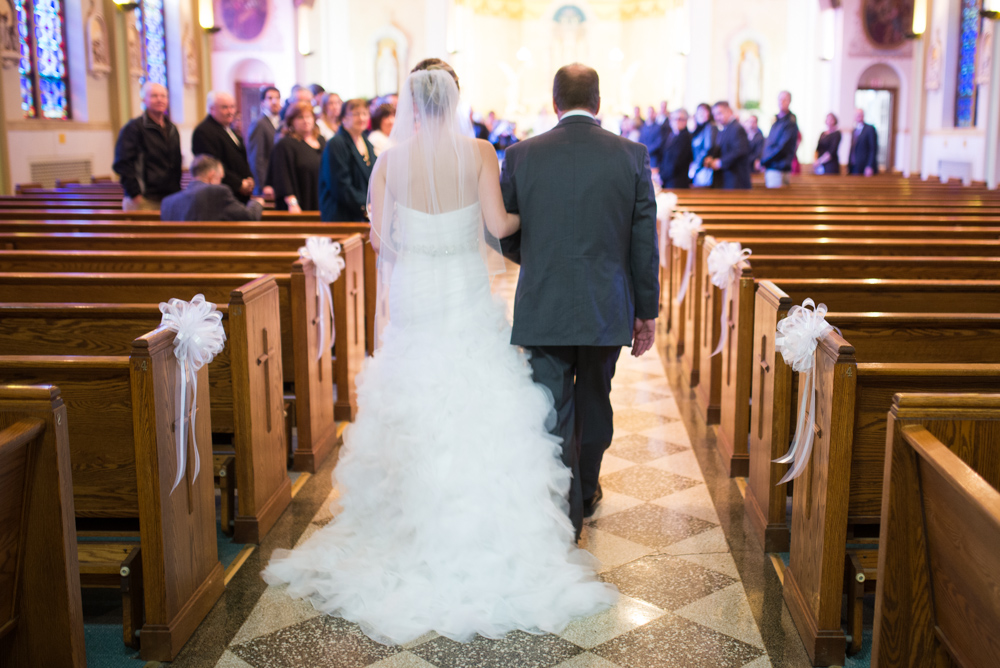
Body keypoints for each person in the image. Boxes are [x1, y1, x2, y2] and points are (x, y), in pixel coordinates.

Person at [263, 61, 618, 647]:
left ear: (409, 104)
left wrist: (417, 239)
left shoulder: (388, 159)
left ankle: (405, 515)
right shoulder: (478, 151)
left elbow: (381, 236)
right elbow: (499, 222)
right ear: (455, 99)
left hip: (416, 293)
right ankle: (482, 521)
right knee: (473, 395)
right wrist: (550, 213)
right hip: (462, 290)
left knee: (416, 391)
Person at [500, 63, 659, 538]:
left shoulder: (521, 154)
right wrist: (645, 312)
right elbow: (643, 242)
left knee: (551, 406)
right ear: (598, 103)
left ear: (554, 103)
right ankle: (586, 491)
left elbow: (505, 231)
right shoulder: (631, 154)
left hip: (542, 300)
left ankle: (562, 510)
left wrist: (537, 259)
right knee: (595, 401)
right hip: (604, 303)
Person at [112, 82, 182, 211]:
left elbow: (176, 161)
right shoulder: (134, 128)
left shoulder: (172, 128)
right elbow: (122, 164)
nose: (160, 99)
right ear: (144, 100)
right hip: (145, 199)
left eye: (163, 96)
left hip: (170, 196)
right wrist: (135, 194)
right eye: (154, 96)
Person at [319, 98, 376, 221]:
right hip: (342, 215)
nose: (362, 118)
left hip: (362, 213)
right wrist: (365, 204)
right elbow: (339, 184)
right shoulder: (336, 143)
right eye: (356, 114)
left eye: (365, 113)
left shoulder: (367, 142)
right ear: (344, 118)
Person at [192, 91, 254, 203]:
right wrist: (239, 184)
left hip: (239, 195)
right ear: (211, 109)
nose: (230, 111)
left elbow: (241, 159)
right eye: (225, 107)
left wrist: (249, 179)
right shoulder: (204, 131)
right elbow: (212, 166)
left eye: (232, 107)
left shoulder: (229, 129)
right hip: (221, 196)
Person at [160, 154, 264, 221]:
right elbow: (249, 217)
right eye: (220, 178)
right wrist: (257, 203)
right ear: (211, 175)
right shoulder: (218, 192)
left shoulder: (168, 202)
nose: (220, 183)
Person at [268, 101, 326, 212]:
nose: (306, 120)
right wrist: (292, 202)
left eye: (308, 116)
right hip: (298, 203)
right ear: (291, 122)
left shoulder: (321, 141)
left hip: (319, 199)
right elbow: (282, 176)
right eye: (300, 117)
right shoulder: (285, 144)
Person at [705, 100, 752, 190]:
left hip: (737, 179)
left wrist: (720, 162)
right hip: (728, 178)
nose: (716, 117)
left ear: (729, 111)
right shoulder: (726, 128)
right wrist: (712, 158)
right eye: (714, 115)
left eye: (719, 113)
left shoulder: (737, 128)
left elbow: (739, 150)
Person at [246, 86, 281, 198]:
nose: (274, 101)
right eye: (270, 98)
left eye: (277, 98)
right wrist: (263, 185)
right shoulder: (259, 124)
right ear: (263, 103)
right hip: (266, 184)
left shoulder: (282, 123)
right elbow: (257, 158)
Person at [759, 91, 798, 188]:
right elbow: (770, 142)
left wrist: (764, 161)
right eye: (780, 99)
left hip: (778, 167)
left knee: (775, 200)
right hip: (772, 166)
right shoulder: (777, 120)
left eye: (785, 99)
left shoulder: (790, 122)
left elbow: (783, 147)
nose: (782, 102)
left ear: (789, 102)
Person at [653, 108, 693, 189]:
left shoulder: (685, 137)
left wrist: (662, 176)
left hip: (677, 182)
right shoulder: (672, 135)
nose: (676, 122)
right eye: (674, 119)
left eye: (680, 119)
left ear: (685, 121)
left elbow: (676, 162)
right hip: (669, 179)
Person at [689, 103, 717, 187]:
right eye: (699, 111)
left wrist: (696, 166)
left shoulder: (710, 127)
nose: (701, 114)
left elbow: (707, 148)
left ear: (709, 113)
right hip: (697, 167)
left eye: (704, 111)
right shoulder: (698, 129)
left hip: (704, 169)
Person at [848, 108, 879, 176]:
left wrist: (869, 166)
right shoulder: (854, 130)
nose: (858, 116)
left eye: (860, 115)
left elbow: (873, 149)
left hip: (864, 166)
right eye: (856, 115)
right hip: (854, 166)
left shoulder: (870, 129)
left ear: (863, 116)